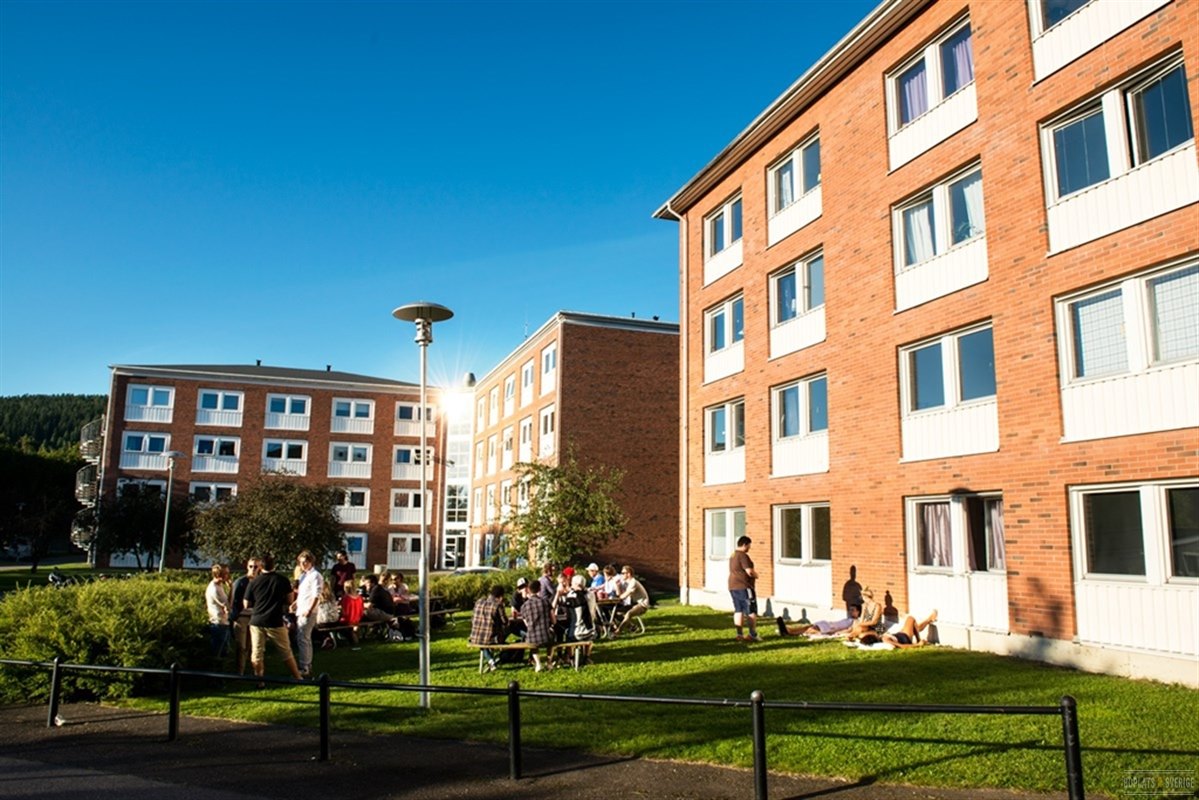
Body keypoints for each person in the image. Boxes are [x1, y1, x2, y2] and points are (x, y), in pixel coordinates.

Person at [244, 554, 304, 683]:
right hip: (275, 620)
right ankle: (297, 677)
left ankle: (259, 680)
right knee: (286, 651)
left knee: (257, 652)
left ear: (261, 567)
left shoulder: (254, 582)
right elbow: (290, 600)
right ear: (274, 565)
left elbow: (246, 603)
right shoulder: (282, 580)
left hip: (257, 620)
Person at [292, 550, 323, 677]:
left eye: (305, 562)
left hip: (308, 611)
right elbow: (303, 593)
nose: (303, 565)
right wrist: (295, 603)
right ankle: (307, 665)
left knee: (303, 638)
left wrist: (310, 610)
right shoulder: (303, 576)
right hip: (301, 609)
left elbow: (316, 595)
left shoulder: (315, 575)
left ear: (310, 562)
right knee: (304, 638)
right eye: (301, 563)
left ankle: (304, 666)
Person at [468, 585, 509, 672]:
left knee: (482, 640)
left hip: (474, 637)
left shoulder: (478, 602)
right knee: (505, 635)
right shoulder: (498, 605)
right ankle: (499, 658)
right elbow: (505, 622)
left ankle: (491, 661)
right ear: (501, 596)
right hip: (491, 639)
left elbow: (472, 618)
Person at [230, 558, 260, 674]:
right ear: (247, 567)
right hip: (241, 617)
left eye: (256, 567)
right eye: (251, 566)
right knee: (241, 646)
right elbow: (233, 600)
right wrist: (235, 616)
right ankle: (240, 672)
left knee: (250, 645)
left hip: (254, 617)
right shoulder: (241, 582)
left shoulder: (260, 581)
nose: (253, 569)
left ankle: (247, 670)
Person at [518, 578, 554, 672]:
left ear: (528, 590)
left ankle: (538, 664)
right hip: (546, 636)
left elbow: (527, 624)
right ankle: (549, 662)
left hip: (532, 637)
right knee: (552, 638)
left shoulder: (524, 606)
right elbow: (553, 620)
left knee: (532, 641)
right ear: (540, 589)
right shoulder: (546, 602)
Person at [728, 536, 760, 642]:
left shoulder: (733, 555)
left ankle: (739, 634)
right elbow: (749, 571)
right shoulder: (743, 556)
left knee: (738, 610)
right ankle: (752, 634)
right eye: (749, 546)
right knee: (751, 610)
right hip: (744, 587)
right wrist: (756, 575)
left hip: (733, 586)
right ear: (744, 544)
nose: (749, 548)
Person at [612, 565, 650, 636]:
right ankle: (632, 627)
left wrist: (619, 597)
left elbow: (625, 594)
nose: (622, 575)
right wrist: (618, 586)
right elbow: (620, 594)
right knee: (616, 613)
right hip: (634, 604)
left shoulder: (633, 582)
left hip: (642, 605)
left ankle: (618, 632)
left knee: (629, 613)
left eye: (623, 573)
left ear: (628, 574)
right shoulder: (626, 583)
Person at [778, 604, 861, 636]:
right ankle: (789, 630)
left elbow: (850, 630)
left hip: (830, 628)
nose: (850, 611)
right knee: (807, 627)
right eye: (850, 610)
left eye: (853, 610)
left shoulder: (855, 621)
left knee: (809, 630)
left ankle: (789, 632)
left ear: (858, 612)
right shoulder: (848, 619)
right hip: (828, 623)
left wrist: (836, 633)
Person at [562, 574, 600, 642]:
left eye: (572, 583)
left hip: (577, 632)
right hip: (591, 631)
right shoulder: (591, 594)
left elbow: (567, 613)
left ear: (576, 584)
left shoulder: (571, 595)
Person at [204, 564, 231, 656]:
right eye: (226, 573)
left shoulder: (219, 586)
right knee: (220, 652)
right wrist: (232, 588)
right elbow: (228, 605)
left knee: (224, 650)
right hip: (219, 623)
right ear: (219, 574)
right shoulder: (214, 589)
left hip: (223, 622)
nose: (228, 575)